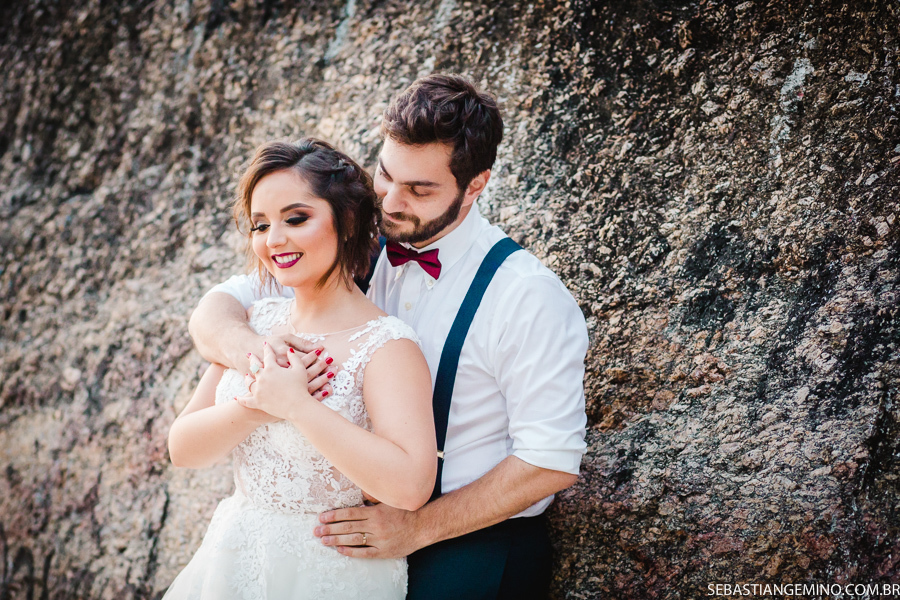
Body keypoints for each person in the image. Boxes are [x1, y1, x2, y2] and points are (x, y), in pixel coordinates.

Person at [190, 74, 589, 599]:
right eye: (386, 175)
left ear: (476, 184)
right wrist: (254, 357)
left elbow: (550, 460)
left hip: (473, 541)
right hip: (341, 544)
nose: (392, 201)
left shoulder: (526, 296)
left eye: (420, 189)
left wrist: (418, 528)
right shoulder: (345, 241)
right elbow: (219, 308)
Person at [165, 139, 436, 600]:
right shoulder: (259, 323)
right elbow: (182, 447)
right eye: (260, 225)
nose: (274, 240)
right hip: (234, 556)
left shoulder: (387, 345)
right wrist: (257, 407)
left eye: (296, 219)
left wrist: (297, 406)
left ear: (346, 220)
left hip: (329, 568)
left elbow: (411, 488)